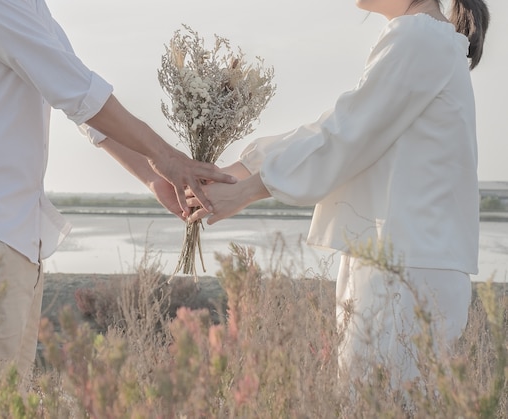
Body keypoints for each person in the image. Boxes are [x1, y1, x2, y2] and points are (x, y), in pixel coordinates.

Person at [0, 0, 235, 410]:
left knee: (6, 407)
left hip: (13, 240)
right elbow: (73, 88)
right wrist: (163, 156)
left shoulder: (33, 10)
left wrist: (153, 176)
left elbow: (83, 109)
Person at [189, 0, 490, 397]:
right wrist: (240, 169)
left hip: (405, 271)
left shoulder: (418, 37)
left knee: (379, 403)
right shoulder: (429, 39)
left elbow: (347, 136)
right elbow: (340, 126)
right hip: (408, 264)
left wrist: (249, 189)